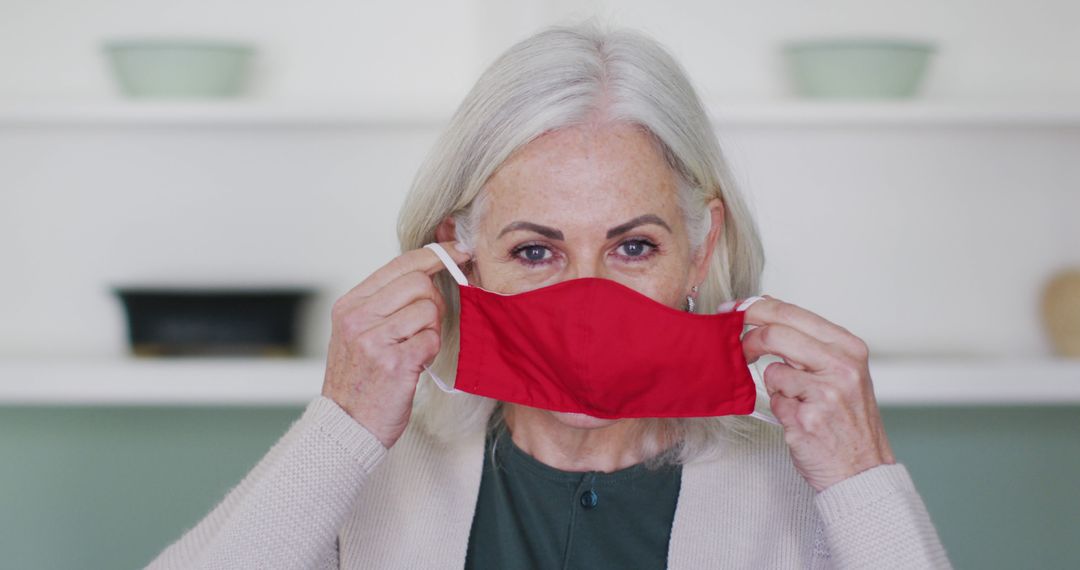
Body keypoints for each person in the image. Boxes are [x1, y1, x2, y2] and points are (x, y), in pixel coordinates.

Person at [146, 19, 952, 569]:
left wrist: (861, 476)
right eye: (536, 250)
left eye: (634, 246)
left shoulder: (800, 487)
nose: (588, 303)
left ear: (703, 247)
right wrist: (342, 426)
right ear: (459, 254)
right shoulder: (372, 471)